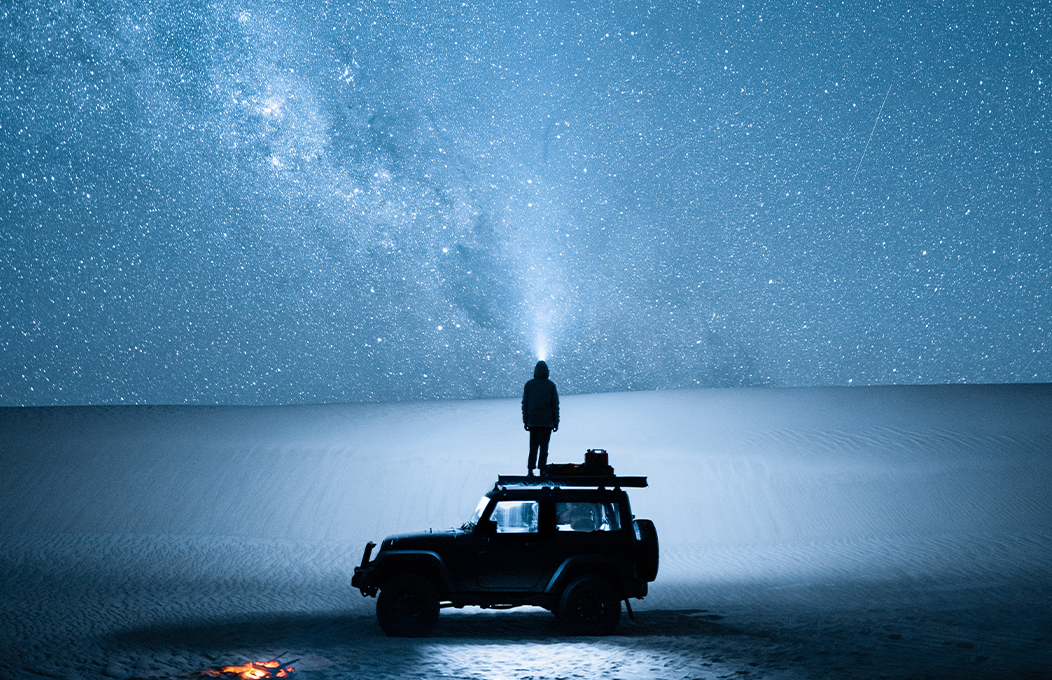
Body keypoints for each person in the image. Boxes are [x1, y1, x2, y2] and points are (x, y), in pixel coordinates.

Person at [522, 360, 559, 475]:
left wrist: (525, 420)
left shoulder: (529, 385)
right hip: (547, 423)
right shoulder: (551, 386)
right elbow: (555, 405)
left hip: (533, 422)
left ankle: (530, 470)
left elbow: (525, 404)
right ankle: (542, 469)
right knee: (544, 448)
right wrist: (556, 422)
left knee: (533, 447)